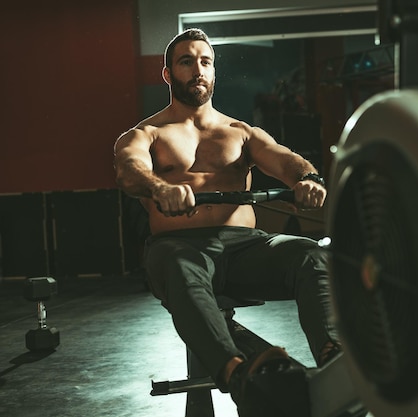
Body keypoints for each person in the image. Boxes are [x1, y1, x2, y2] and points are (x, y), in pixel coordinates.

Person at [113, 28, 339, 410]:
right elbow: (129, 170)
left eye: (205, 62)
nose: (198, 69)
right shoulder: (146, 133)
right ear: (168, 74)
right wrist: (160, 188)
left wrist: (307, 178)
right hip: (178, 248)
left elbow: (284, 159)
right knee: (182, 269)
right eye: (186, 62)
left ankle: (334, 358)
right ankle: (238, 374)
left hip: (245, 250)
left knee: (310, 254)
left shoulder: (240, 132)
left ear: (214, 73)